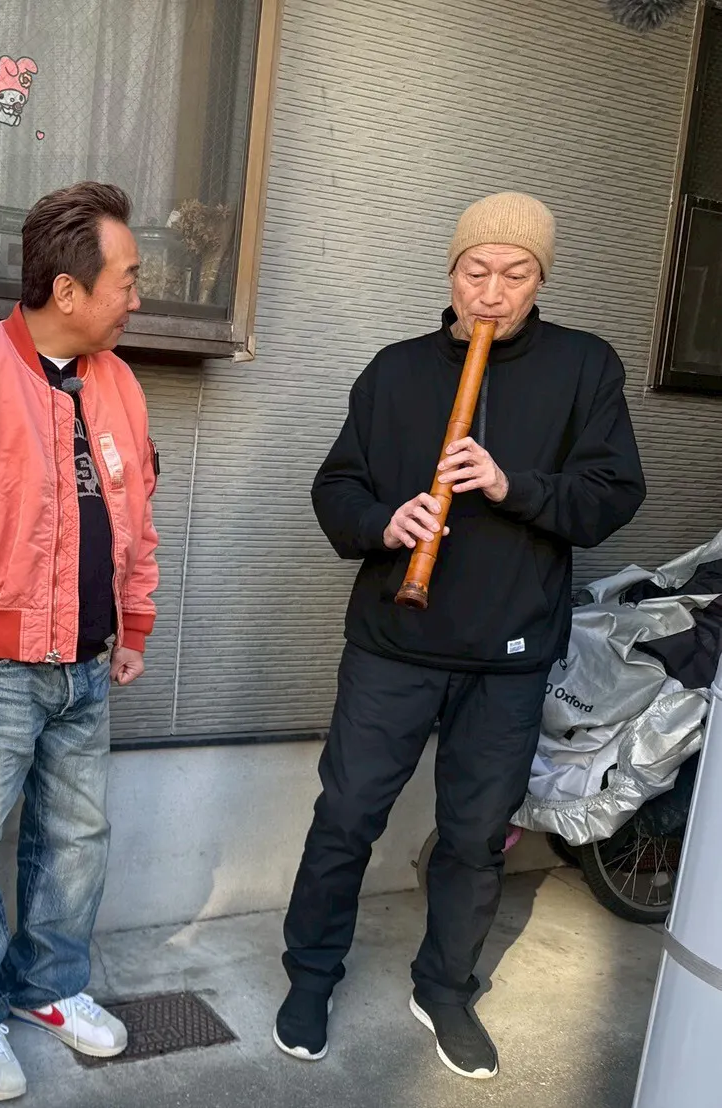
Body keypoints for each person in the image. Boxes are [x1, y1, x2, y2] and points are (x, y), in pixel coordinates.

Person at [275, 192, 647, 1080]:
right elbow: (335, 488)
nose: (491, 291)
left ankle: (444, 988)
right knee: (345, 817)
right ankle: (310, 976)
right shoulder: (395, 371)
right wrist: (382, 523)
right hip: (392, 643)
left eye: (514, 274)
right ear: (450, 273)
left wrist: (513, 486)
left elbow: (611, 496)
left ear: (540, 280)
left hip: (508, 651)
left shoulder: (583, 367)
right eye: (475, 271)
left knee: (476, 836)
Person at [0, 181, 161, 1101]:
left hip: (87, 663)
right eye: (127, 280)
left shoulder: (116, 381)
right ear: (66, 289)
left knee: (76, 839)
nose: (138, 298)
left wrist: (133, 622)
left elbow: (137, 515)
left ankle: (48, 986)